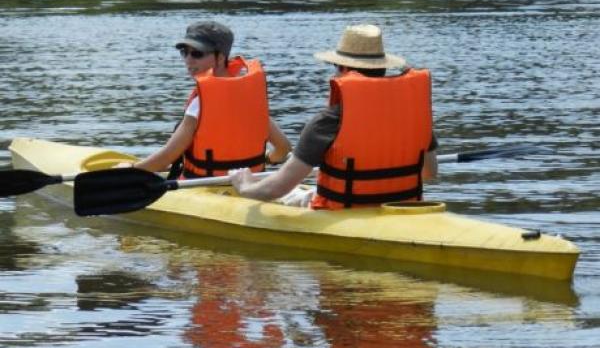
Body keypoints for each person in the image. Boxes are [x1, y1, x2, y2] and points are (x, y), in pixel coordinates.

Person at [230, 24, 438, 209]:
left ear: (344, 69)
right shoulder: (413, 114)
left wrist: (245, 185)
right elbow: (429, 172)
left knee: (281, 194)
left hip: (342, 209)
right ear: (381, 68)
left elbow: (273, 190)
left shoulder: (328, 121)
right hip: (401, 207)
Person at [128, 21, 291, 178]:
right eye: (184, 52)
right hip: (250, 185)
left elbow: (167, 157)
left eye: (197, 53)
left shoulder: (199, 105)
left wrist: (132, 170)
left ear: (220, 57)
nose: (188, 60)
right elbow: (283, 148)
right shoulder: (249, 99)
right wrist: (267, 159)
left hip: (205, 188)